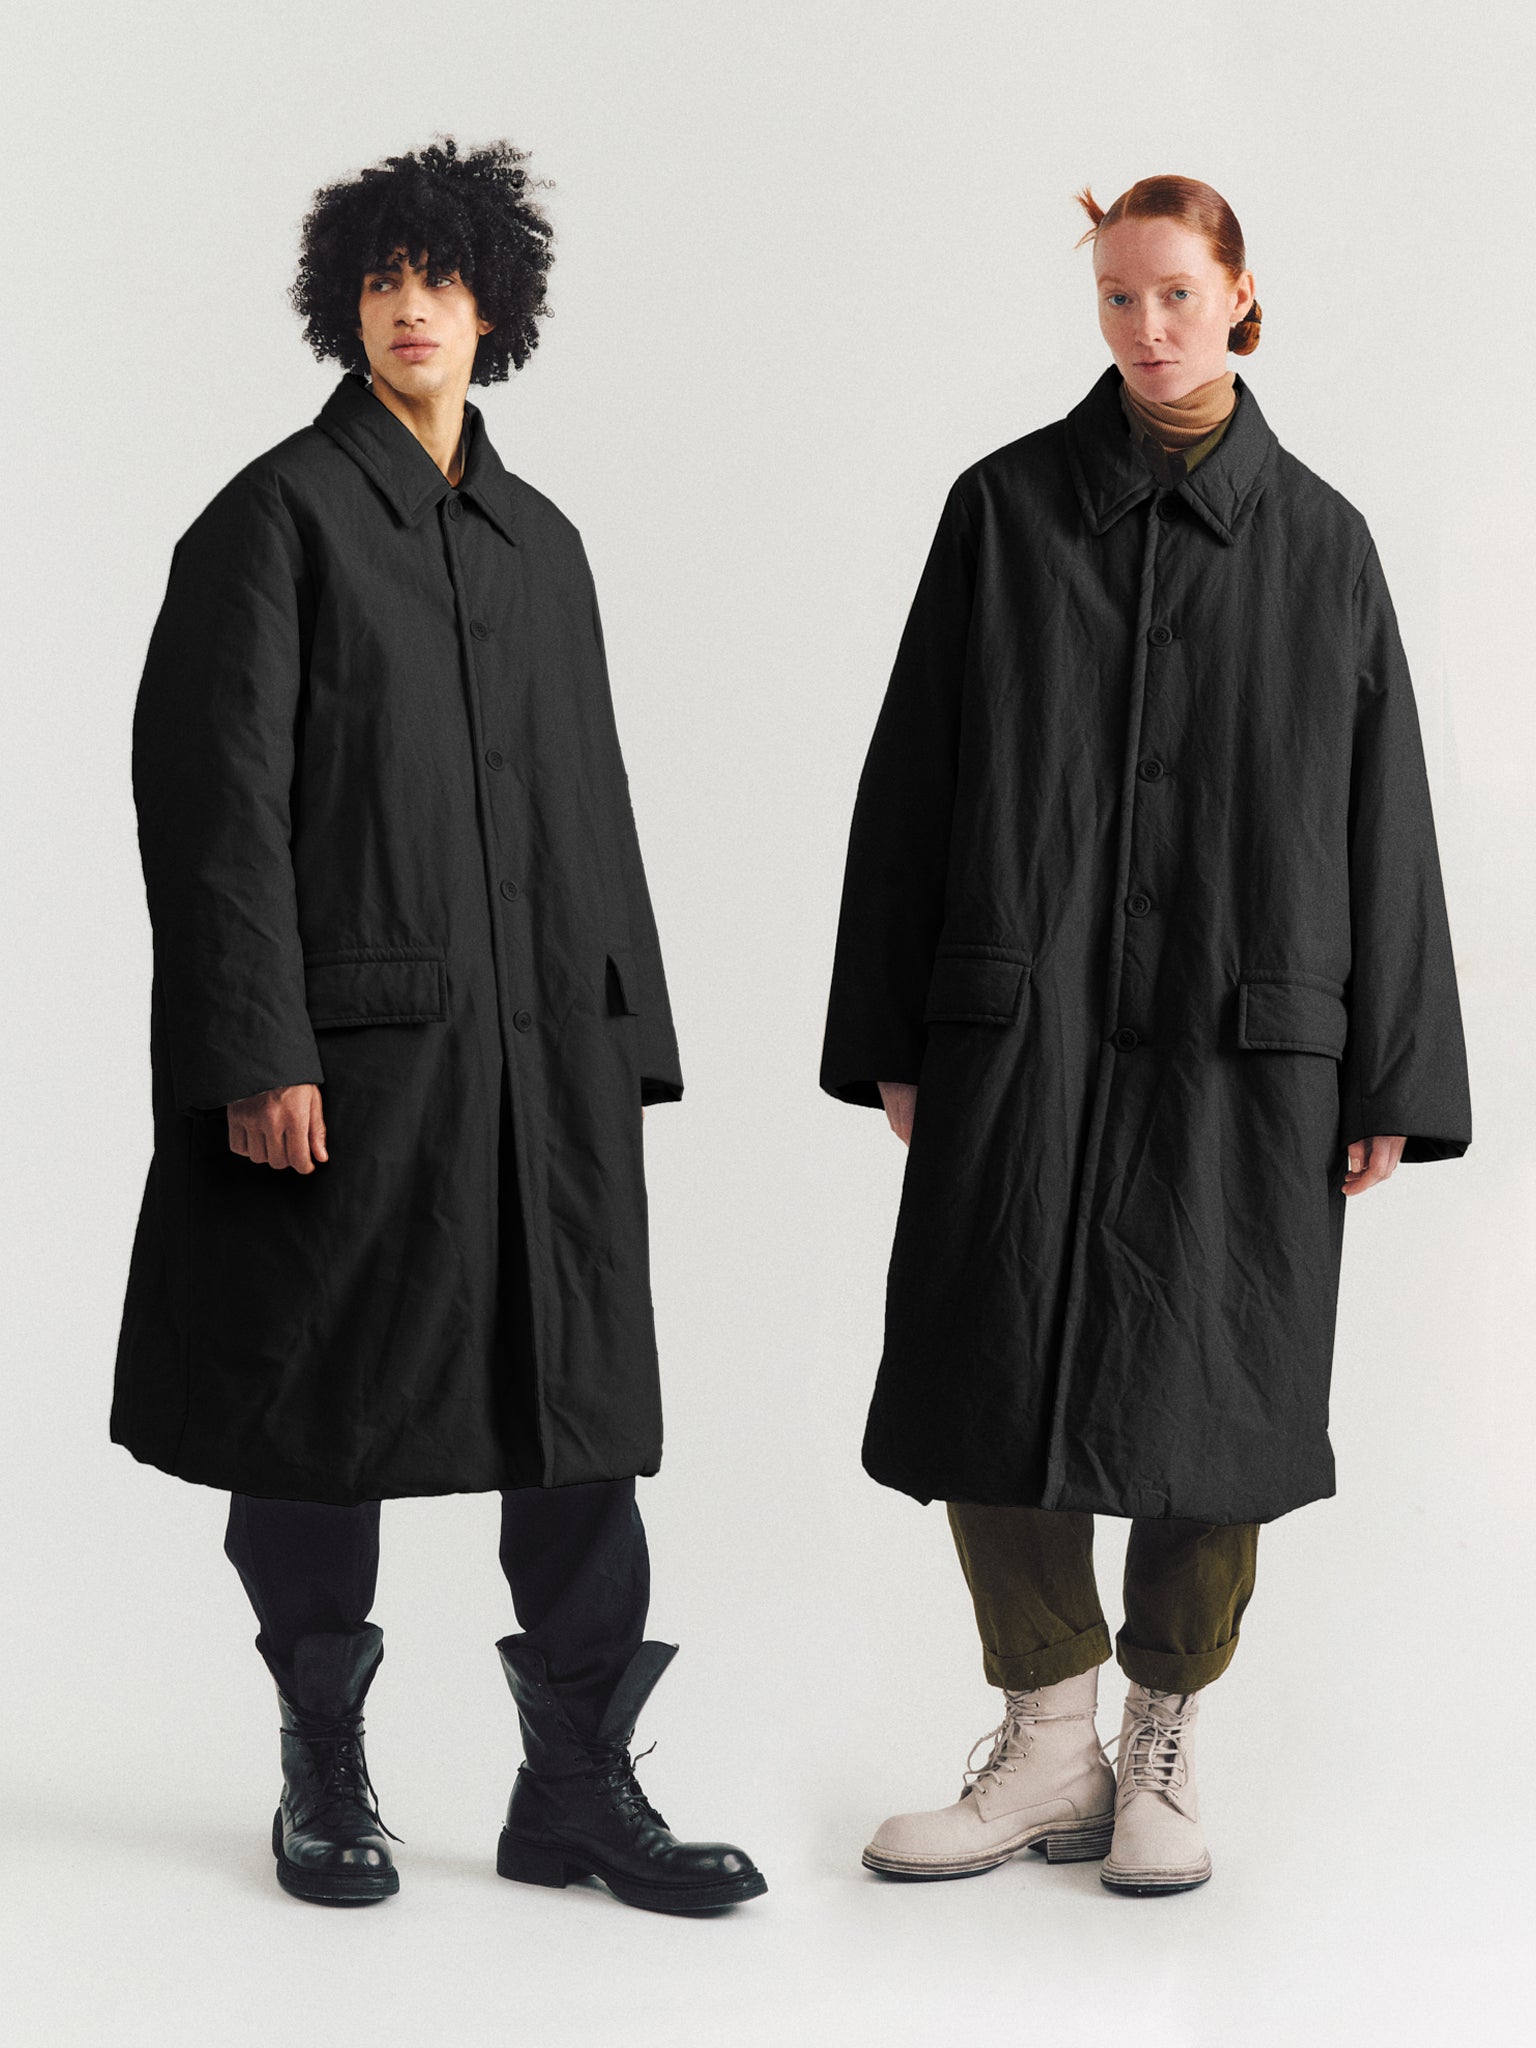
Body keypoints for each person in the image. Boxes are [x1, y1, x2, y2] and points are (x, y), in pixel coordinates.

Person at [113, 135, 765, 1915]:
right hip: (354, 1068)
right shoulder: (273, 521)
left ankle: (577, 1789)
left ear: (497, 308)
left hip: (547, 1066)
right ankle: (322, 1769)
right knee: (321, 1412)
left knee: (577, 1417)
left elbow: (593, 807)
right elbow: (212, 809)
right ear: (345, 307)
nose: (414, 307)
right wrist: (257, 1049)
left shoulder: (544, 545)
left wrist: (626, 1042)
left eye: (445, 279)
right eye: (385, 280)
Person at [819, 173, 1471, 1897]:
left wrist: (1392, 1070)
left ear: (1240, 293)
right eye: (1118, 296)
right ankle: (1048, 1742)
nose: (1147, 327)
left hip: (1247, 1043)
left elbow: (1385, 817)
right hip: (1018, 1020)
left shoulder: (1321, 543)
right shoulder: (1003, 511)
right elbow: (912, 782)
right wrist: (893, 1028)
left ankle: (1166, 1738)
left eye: (1177, 293)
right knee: (988, 1352)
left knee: (1221, 1377)